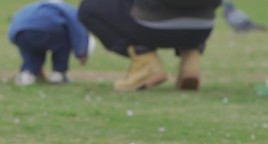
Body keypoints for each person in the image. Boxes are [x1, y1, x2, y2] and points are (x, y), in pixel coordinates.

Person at [78, 0, 221, 91]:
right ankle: (191, 59)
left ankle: (145, 60)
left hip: (152, 25)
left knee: (89, 9)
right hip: (201, 28)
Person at [8, 0, 90, 86]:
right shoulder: (70, 9)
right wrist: (81, 51)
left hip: (19, 31)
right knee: (65, 38)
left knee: (31, 48)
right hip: (48, 30)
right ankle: (59, 73)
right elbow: (78, 28)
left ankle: (28, 74)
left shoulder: (33, 6)